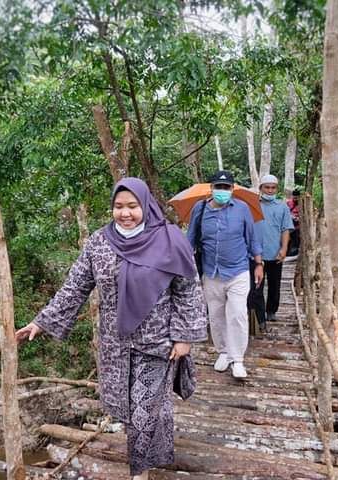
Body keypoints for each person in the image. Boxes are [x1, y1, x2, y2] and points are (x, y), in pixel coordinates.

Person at [16, 178, 207, 480]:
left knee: (146, 410)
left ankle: (139, 472)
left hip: (156, 343)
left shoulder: (170, 239)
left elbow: (188, 290)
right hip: (116, 345)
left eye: (132, 206)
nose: (125, 213)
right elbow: (75, 287)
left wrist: (184, 337)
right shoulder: (99, 242)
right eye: (118, 206)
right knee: (129, 409)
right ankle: (147, 454)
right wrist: (42, 321)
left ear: (145, 205)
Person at [187, 170, 262, 379]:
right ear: (211, 189)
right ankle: (223, 352)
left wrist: (259, 263)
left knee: (237, 314)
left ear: (232, 189)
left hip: (238, 271)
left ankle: (237, 359)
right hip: (211, 272)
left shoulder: (242, 209)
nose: (222, 191)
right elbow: (190, 239)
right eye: (218, 187)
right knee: (217, 315)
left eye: (226, 187)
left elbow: (252, 238)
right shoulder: (200, 210)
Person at [250, 175, 294, 329]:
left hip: (275, 252)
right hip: (256, 255)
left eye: (273, 187)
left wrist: (283, 249)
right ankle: (260, 317)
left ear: (277, 188)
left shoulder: (282, 207)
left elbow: (285, 229)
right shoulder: (253, 205)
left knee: (275, 284)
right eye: (266, 187)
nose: (270, 190)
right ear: (261, 188)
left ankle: (271, 311)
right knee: (257, 287)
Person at [286, 188, 301, 258]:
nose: (295, 199)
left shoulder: (301, 203)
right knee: (288, 239)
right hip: (289, 225)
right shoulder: (288, 203)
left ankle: (295, 252)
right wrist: (292, 216)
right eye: (294, 198)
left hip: (299, 226)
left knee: (296, 239)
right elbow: (285, 212)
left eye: (297, 198)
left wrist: (299, 218)